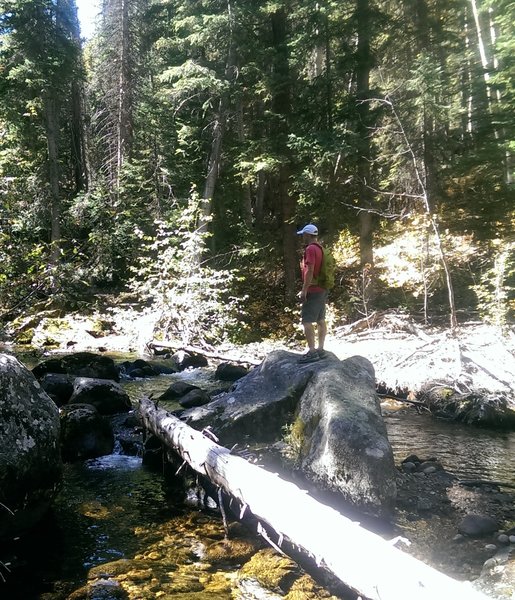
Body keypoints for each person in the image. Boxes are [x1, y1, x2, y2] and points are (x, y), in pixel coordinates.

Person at [297, 223, 328, 363]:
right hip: (322, 288)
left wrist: (304, 290)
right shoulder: (321, 248)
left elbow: (310, 270)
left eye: (303, 234)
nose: (302, 237)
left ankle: (312, 352)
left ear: (308, 235)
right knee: (321, 319)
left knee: (307, 321)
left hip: (313, 289)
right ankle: (321, 349)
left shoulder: (310, 249)